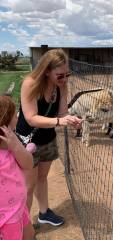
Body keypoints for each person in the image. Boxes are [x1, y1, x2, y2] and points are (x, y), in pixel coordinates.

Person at [16, 48, 82, 226]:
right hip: (28, 141)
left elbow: (61, 113)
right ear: (46, 71)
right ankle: (22, 227)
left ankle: (43, 213)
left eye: (67, 74)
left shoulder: (61, 85)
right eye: (60, 75)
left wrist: (70, 120)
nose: (65, 79)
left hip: (47, 138)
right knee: (28, 186)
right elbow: (31, 118)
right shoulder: (30, 83)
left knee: (42, 177)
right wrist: (61, 121)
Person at [0, 95, 35, 240]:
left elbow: (28, 164)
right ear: (5, 123)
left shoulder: (12, 144)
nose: (18, 117)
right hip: (7, 216)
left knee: (30, 234)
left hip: (19, 207)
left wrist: (17, 146)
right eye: (15, 115)